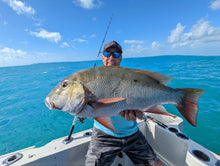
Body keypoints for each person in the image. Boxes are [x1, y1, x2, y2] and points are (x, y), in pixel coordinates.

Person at [85, 41, 162, 166]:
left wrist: (139, 114)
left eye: (115, 54)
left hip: (132, 133)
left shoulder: (131, 78)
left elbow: (140, 102)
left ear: (120, 58)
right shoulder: (92, 81)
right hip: (103, 136)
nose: (111, 58)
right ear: (102, 56)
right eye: (107, 53)